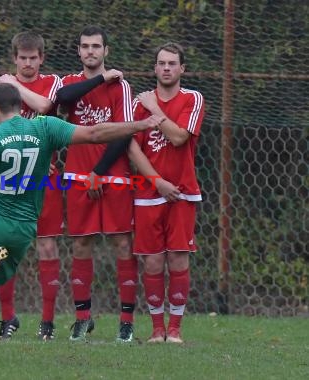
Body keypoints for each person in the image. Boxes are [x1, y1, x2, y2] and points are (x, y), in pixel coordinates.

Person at [0, 83, 164, 360]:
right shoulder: (45, 127)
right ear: (18, 106)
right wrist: (141, 124)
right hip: (23, 229)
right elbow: (96, 132)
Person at [58, 25, 138, 342]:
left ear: (106, 51)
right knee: (81, 244)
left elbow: (124, 131)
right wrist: (100, 79)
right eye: (85, 46)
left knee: (122, 244)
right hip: (77, 175)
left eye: (96, 46)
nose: (90, 51)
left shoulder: (122, 87)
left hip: (113, 175)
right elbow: (63, 99)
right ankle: (82, 319)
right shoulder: (70, 84)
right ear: (79, 51)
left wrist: (100, 171)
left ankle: (126, 322)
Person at [126, 42, 205, 343]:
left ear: (182, 68)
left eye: (173, 63)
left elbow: (179, 137)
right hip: (149, 192)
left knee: (179, 261)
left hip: (183, 192)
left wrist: (155, 109)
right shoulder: (137, 105)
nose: (167, 68)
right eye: (162, 63)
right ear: (155, 68)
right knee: (154, 262)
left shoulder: (193, 99)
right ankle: (157, 330)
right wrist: (157, 180)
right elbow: (131, 147)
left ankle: (175, 330)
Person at [0, 31, 63, 340]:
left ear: (42, 59)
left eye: (33, 58)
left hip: (46, 179)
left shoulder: (54, 84)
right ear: (14, 58)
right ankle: (8, 317)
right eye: (23, 58)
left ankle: (47, 322)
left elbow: (47, 107)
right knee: (5, 248)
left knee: (46, 246)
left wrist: (15, 86)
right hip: (11, 179)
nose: (28, 63)